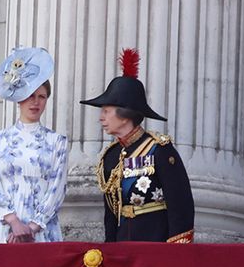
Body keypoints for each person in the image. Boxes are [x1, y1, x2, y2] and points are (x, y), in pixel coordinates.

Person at [80, 49, 194, 243]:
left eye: (107, 111)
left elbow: (180, 204)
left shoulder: (159, 149)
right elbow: (111, 212)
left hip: (156, 243)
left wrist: (176, 251)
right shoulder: (110, 156)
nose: (101, 118)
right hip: (124, 244)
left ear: (125, 115)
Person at [0, 48, 68, 243]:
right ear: (18, 98)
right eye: (30, 95)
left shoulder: (57, 142)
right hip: (4, 231)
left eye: (41, 96)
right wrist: (13, 221)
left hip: (42, 232)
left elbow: (57, 189)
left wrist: (32, 227)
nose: (35, 102)